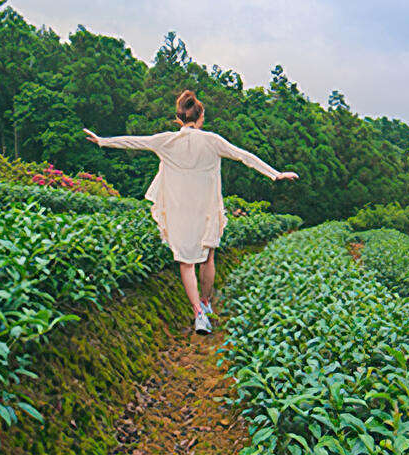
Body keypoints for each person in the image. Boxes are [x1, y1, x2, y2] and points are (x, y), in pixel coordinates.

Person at [83, 90, 298, 334]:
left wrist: (102, 140)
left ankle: (197, 313)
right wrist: (275, 173)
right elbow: (243, 156)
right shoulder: (212, 140)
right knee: (207, 257)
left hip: (178, 209)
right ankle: (206, 304)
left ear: (179, 118)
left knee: (186, 263)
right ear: (201, 116)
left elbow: (134, 141)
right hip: (205, 208)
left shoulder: (166, 140)